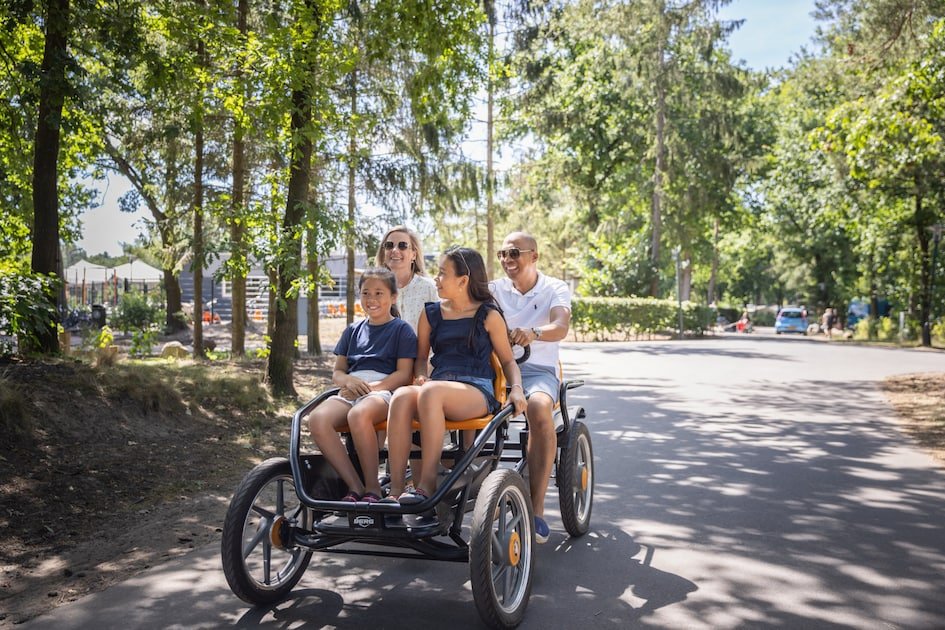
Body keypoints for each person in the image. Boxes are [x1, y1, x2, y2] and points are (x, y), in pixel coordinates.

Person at [384, 247, 527, 505]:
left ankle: (427, 486)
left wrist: (516, 388)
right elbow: (420, 360)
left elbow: (508, 361)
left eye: (442, 273)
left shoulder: (488, 315)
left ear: (463, 280)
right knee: (402, 396)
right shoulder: (431, 314)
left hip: (476, 390)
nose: (436, 279)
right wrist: (419, 376)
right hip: (437, 386)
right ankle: (395, 491)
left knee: (430, 391)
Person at [307, 268, 417, 503]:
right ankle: (354, 486)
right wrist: (349, 381)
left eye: (379, 293)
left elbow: (404, 374)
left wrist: (371, 388)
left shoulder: (401, 330)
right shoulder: (352, 330)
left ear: (393, 297)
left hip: (384, 391)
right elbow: (337, 372)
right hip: (351, 388)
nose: (371, 299)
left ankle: (373, 488)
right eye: (366, 293)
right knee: (316, 419)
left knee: (358, 415)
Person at [490, 231, 571, 544]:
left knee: (538, 408)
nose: (507, 260)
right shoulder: (495, 289)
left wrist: (534, 332)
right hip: (496, 370)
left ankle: (536, 510)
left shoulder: (554, 288)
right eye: (503, 254)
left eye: (514, 253)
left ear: (534, 256)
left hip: (538, 370)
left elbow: (561, 326)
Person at [375, 225, 438, 333]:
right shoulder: (375, 290)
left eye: (402, 246)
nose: (394, 250)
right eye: (389, 245)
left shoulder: (429, 288)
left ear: (414, 254)